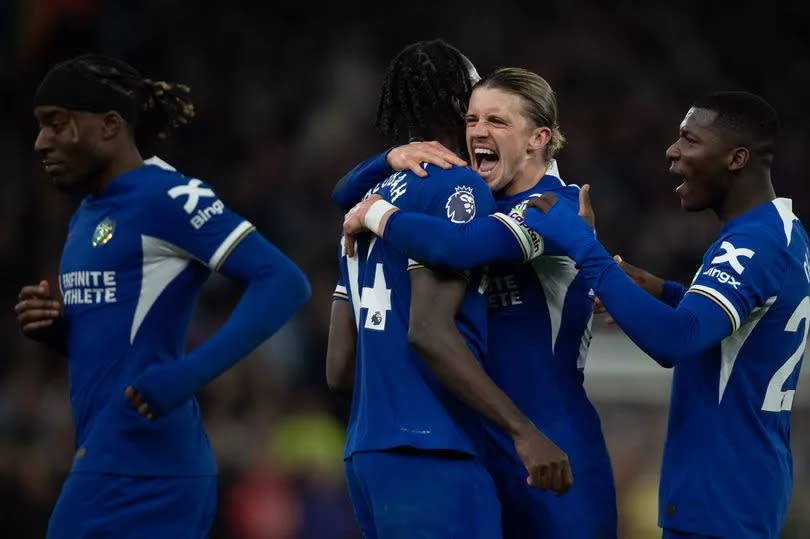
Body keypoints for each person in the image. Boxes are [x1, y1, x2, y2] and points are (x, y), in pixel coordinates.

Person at [15, 54, 311, 538]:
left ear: (109, 125)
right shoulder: (86, 215)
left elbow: (283, 282)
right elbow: (123, 345)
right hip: (112, 456)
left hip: (147, 468)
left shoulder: (167, 196)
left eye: (56, 124)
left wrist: (188, 374)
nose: (41, 141)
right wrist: (61, 333)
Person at [337, 68, 617, 538]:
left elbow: (456, 248)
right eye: (471, 119)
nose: (477, 132)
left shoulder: (556, 206)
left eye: (497, 122)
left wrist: (378, 212)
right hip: (488, 439)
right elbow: (342, 195)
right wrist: (390, 158)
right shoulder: (473, 205)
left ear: (538, 138)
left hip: (553, 441)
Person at [522, 91, 806, 538]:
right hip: (746, 482)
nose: (672, 152)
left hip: (719, 498)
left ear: (735, 158)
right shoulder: (784, 230)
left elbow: (676, 340)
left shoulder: (749, 245)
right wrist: (668, 292)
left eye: (689, 140)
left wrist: (583, 246)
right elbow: (746, 323)